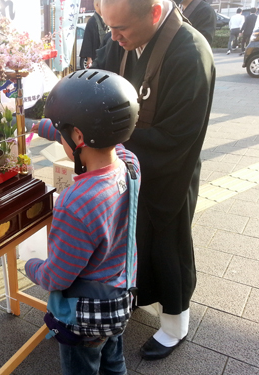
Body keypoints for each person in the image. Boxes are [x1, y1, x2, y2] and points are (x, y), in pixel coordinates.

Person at [34, 0, 215, 361]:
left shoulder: (190, 52)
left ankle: (175, 323)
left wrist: (102, 146)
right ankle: (123, 303)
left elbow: (179, 137)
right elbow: (93, 85)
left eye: (121, 30)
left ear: (154, 11)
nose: (113, 38)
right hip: (119, 158)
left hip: (168, 167)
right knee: (124, 242)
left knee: (167, 240)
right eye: (108, 28)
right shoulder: (119, 38)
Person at [25, 70, 140, 375]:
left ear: (77, 136)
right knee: (113, 361)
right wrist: (40, 127)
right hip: (118, 297)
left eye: (64, 133)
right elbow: (85, 136)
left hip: (86, 316)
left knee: (82, 368)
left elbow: (57, 277)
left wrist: (32, 267)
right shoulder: (130, 164)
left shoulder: (76, 203)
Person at [79, 0, 107, 68]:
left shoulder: (106, 18)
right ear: (97, 5)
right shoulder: (92, 21)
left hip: (106, 54)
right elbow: (87, 40)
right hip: (96, 56)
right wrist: (89, 58)